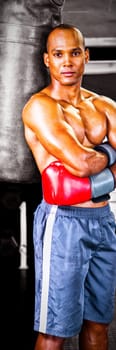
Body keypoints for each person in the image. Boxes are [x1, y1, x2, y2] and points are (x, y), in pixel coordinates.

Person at [22, 24, 116, 350]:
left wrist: (88, 177)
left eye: (75, 53)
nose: (68, 62)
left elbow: (83, 169)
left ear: (86, 56)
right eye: (59, 54)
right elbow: (81, 162)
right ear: (47, 60)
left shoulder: (105, 106)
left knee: (99, 326)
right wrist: (110, 157)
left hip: (104, 222)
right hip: (64, 224)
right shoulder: (41, 107)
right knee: (54, 332)